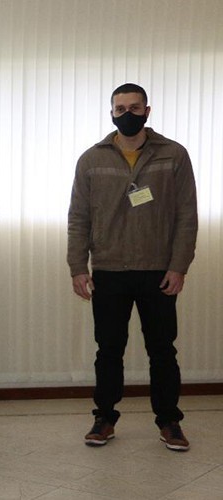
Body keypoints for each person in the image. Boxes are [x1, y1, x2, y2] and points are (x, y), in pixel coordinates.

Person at [68, 83, 198, 451]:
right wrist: (78, 266)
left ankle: (170, 421)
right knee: (108, 349)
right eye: (120, 108)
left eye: (134, 107)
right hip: (108, 270)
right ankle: (104, 418)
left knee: (163, 349)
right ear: (111, 112)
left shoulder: (173, 155)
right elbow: (78, 218)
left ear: (147, 111)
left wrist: (179, 266)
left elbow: (187, 215)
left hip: (158, 270)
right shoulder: (92, 159)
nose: (127, 114)